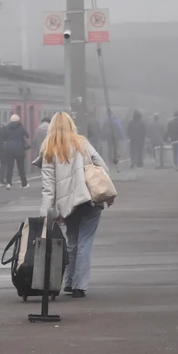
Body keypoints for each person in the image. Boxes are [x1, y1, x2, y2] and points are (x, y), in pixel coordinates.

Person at [39, 112, 110, 298]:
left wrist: (45, 217)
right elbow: (103, 167)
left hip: (68, 205)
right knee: (85, 242)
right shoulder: (82, 143)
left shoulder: (48, 149)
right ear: (71, 125)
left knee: (72, 241)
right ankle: (79, 286)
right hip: (90, 200)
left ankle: (69, 283)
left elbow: (48, 188)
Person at [2, 113, 30, 188]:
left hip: (9, 150)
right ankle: (24, 184)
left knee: (9, 167)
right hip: (19, 149)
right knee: (21, 167)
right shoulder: (21, 127)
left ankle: (8, 183)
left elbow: (3, 138)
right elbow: (27, 135)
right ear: (18, 120)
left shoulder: (6, 128)